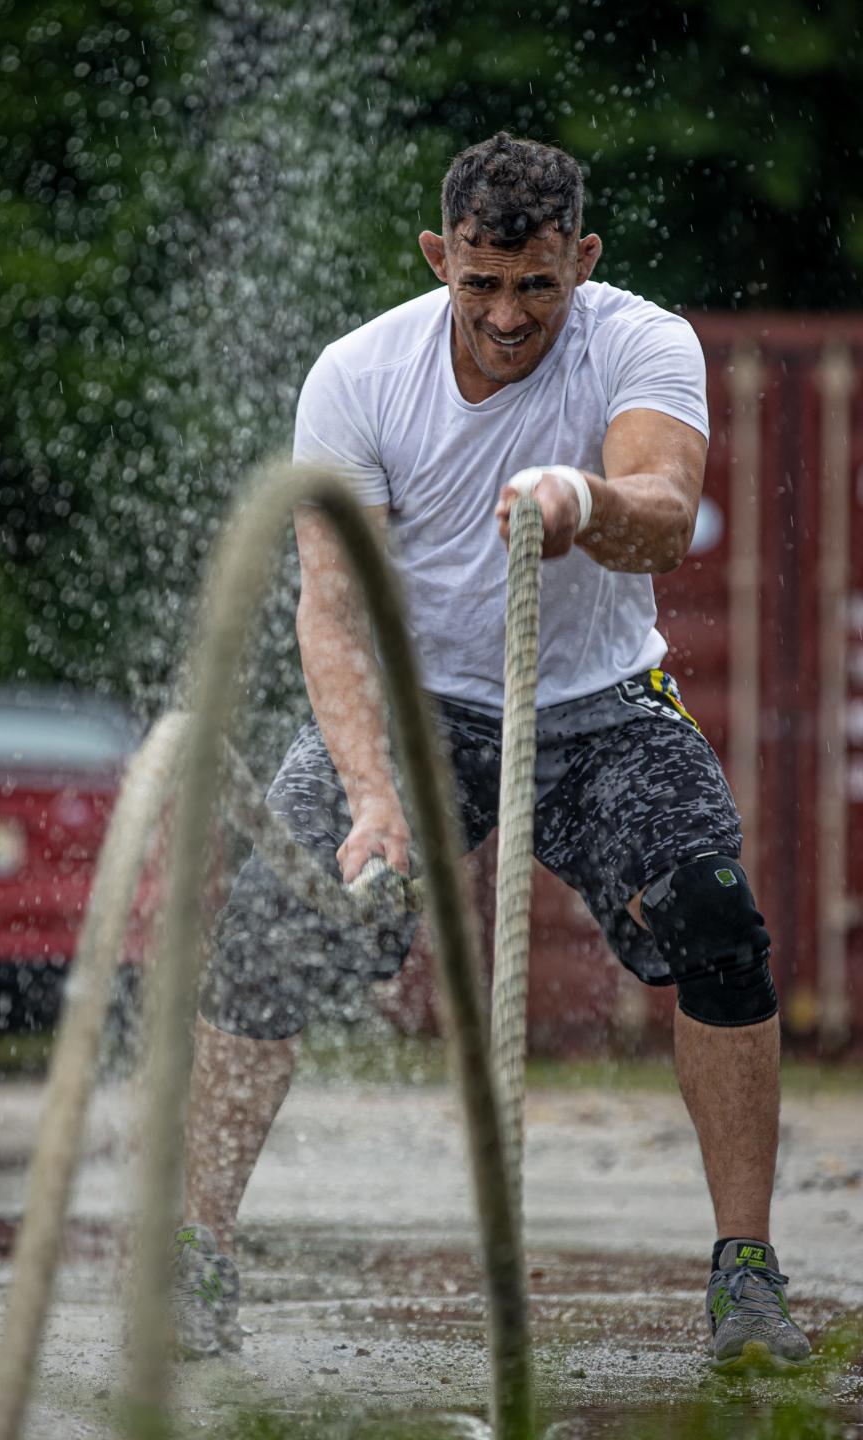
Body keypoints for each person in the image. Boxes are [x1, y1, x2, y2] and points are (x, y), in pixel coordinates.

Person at [171, 132, 811, 1374]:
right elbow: (332, 607)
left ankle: (746, 1273)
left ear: (582, 258)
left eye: (537, 285)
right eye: (480, 284)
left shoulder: (640, 340)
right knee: (270, 926)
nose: (508, 316)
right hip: (416, 711)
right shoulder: (359, 376)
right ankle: (198, 1252)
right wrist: (370, 796)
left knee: (716, 919)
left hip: (605, 706)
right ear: (438, 257)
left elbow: (667, 517)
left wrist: (583, 503)